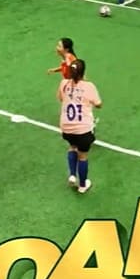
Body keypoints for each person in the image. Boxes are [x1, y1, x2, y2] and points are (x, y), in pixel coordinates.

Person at [58, 59, 102, 194]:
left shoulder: (64, 83)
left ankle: (72, 175)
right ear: (83, 72)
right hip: (83, 130)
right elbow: (99, 104)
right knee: (82, 156)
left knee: (72, 147)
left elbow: (61, 98)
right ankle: (83, 185)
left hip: (67, 128)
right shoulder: (89, 86)